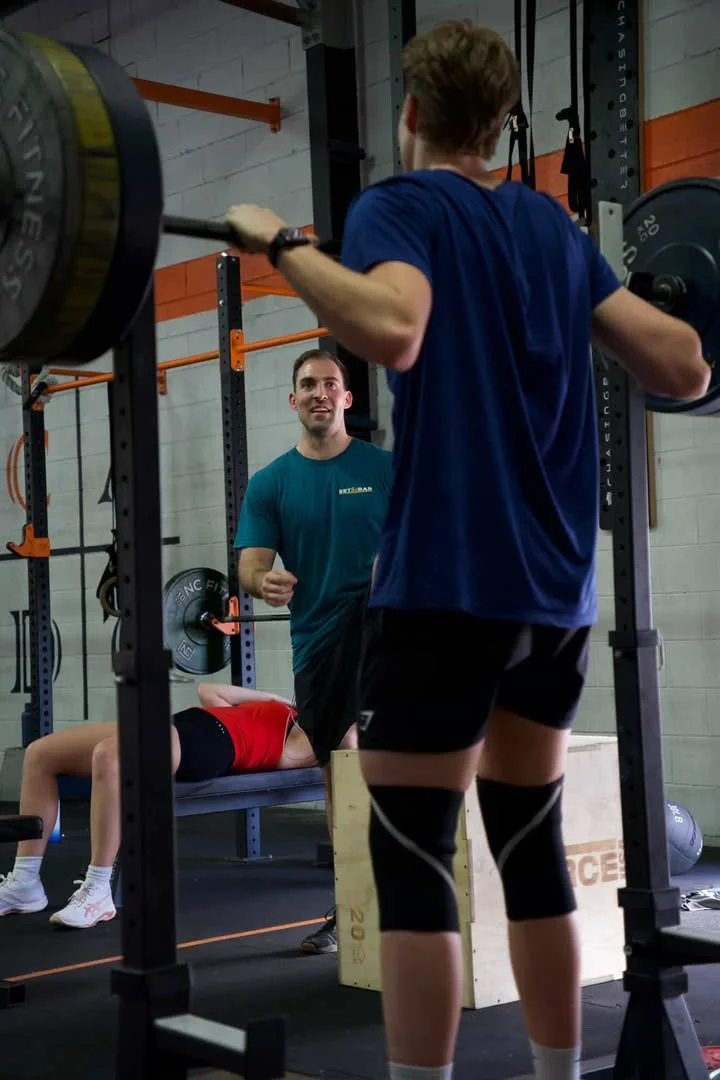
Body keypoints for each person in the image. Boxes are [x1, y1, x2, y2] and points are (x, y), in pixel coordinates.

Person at [225, 19, 709, 1079]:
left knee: (413, 867)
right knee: (528, 851)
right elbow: (682, 366)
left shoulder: (399, 204)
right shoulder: (549, 227)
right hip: (552, 603)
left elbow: (394, 329)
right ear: (500, 126)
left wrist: (278, 240)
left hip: (448, 590)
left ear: (410, 114)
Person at [235, 347, 392, 954]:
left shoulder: (386, 468)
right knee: (341, 771)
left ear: (347, 398)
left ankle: (405, 899)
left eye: (331, 384)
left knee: (378, 757)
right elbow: (250, 564)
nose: (320, 393)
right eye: (308, 385)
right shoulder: (272, 483)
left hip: (388, 633)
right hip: (319, 640)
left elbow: (434, 541)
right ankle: (351, 903)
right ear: (293, 399)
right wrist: (262, 581)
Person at [0, 683, 312, 930]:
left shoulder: (303, 740)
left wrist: (317, 717)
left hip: (204, 747)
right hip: (175, 725)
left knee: (111, 754)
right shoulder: (280, 710)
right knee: (40, 754)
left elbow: (335, 744)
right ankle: (25, 883)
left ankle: (98, 889)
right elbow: (209, 689)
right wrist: (277, 699)